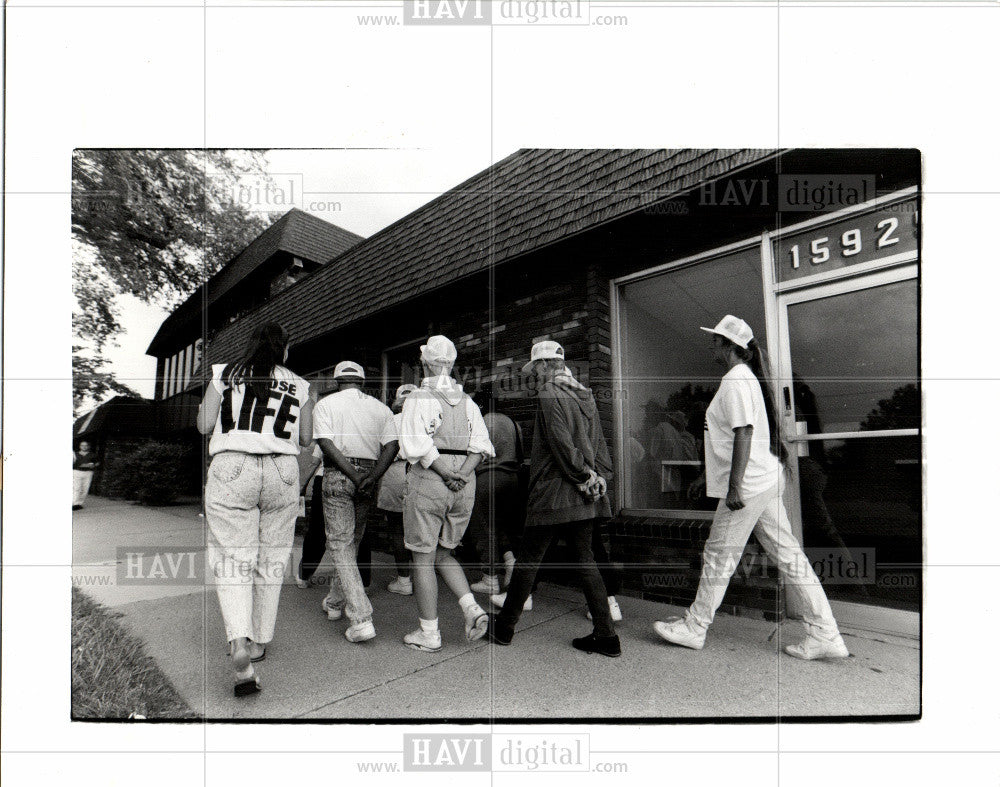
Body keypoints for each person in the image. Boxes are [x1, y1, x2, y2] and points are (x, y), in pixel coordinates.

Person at [653, 315, 849, 661]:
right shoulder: (744, 379)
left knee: (718, 555)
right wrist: (706, 477)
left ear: (729, 346)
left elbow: (743, 433)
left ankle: (695, 627)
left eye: (716, 339)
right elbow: (735, 439)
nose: (711, 344)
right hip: (764, 479)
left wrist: (733, 488)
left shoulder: (736, 380)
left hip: (750, 484)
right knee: (789, 556)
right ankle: (825, 633)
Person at [196, 322, 314, 697]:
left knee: (233, 559)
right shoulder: (301, 384)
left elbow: (202, 425)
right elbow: (308, 438)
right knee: (272, 559)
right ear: (284, 348)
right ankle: (260, 642)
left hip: (233, 466)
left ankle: (238, 642)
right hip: (282, 469)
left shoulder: (225, 374)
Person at [486, 340, 621, 658]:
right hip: (584, 495)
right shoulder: (585, 394)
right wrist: (597, 478)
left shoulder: (549, 392)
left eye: (535, 370)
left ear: (546, 365)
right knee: (586, 561)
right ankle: (606, 636)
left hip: (554, 493)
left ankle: (504, 628)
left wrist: (582, 475)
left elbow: (560, 443)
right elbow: (599, 446)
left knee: (528, 560)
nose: (534, 377)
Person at [397, 335, 494, 652]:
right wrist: (462, 474)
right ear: (451, 364)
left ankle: (429, 633)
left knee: (422, 558)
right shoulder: (468, 402)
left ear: (425, 362)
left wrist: (443, 472)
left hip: (431, 478)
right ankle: (472, 609)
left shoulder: (419, 397)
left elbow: (416, 444)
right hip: (465, 484)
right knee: (444, 553)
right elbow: (481, 446)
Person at [313, 361, 396, 643]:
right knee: (351, 542)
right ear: (361, 381)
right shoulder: (381, 408)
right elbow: (392, 446)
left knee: (339, 543)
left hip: (338, 474)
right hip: (371, 476)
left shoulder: (326, 405)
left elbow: (325, 443)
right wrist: (370, 478)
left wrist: (352, 475)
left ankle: (361, 617)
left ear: (338, 381)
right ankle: (335, 602)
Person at [464, 384, 524, 597]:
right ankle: (510, 565)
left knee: (483, 528)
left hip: (487, 478)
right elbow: (520, 454)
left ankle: (490, 579)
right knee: (502, 526)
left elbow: (473, 453)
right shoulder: (513, 424)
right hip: (512, 479)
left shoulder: (481, 421)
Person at [376, 383, 419, 595]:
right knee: (423, 528)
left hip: (394, 471)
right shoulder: (426, 420)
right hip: (421, 472)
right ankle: (423, 578)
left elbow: (382, 451)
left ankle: (404, 580)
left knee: (396, 529)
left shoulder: (391, 420)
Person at [295, 442, 325, 588]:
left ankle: (304, 576)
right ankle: (362, 582)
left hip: (325, 477)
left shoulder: (331, 421)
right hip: (361, 474)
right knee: (358, 533)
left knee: (317, 529)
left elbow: (315, 461)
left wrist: (302, 485)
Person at [73, 440, 100, 510]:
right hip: (77, 472)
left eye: (85, 445)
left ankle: (80, 503)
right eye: (82, 445)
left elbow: (97, 463)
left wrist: (93, 465)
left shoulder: (92, 455)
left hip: (88, 473)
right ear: (80, 446)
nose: (84, 447)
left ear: (88, 446)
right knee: (76, 488)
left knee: (85, 488)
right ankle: (74, 503)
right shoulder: (75, 454)